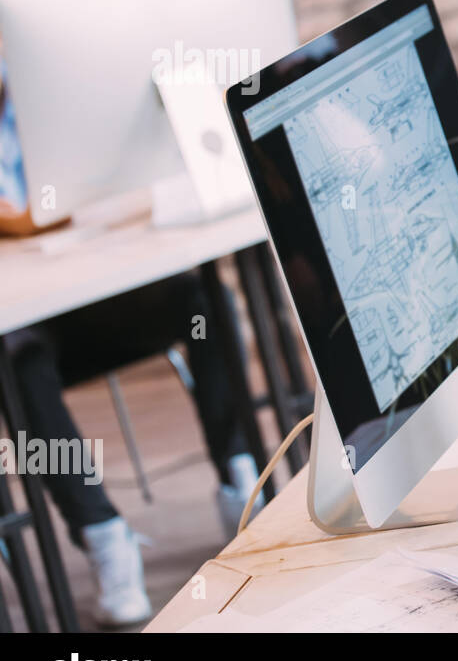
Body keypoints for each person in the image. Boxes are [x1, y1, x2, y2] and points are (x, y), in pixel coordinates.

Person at [0, 72, 263, 627]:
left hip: (105, 291)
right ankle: (103, 536)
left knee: (202, 301)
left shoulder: (54, 89)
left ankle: (242, 480)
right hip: (30, 324)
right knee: (15, 359)